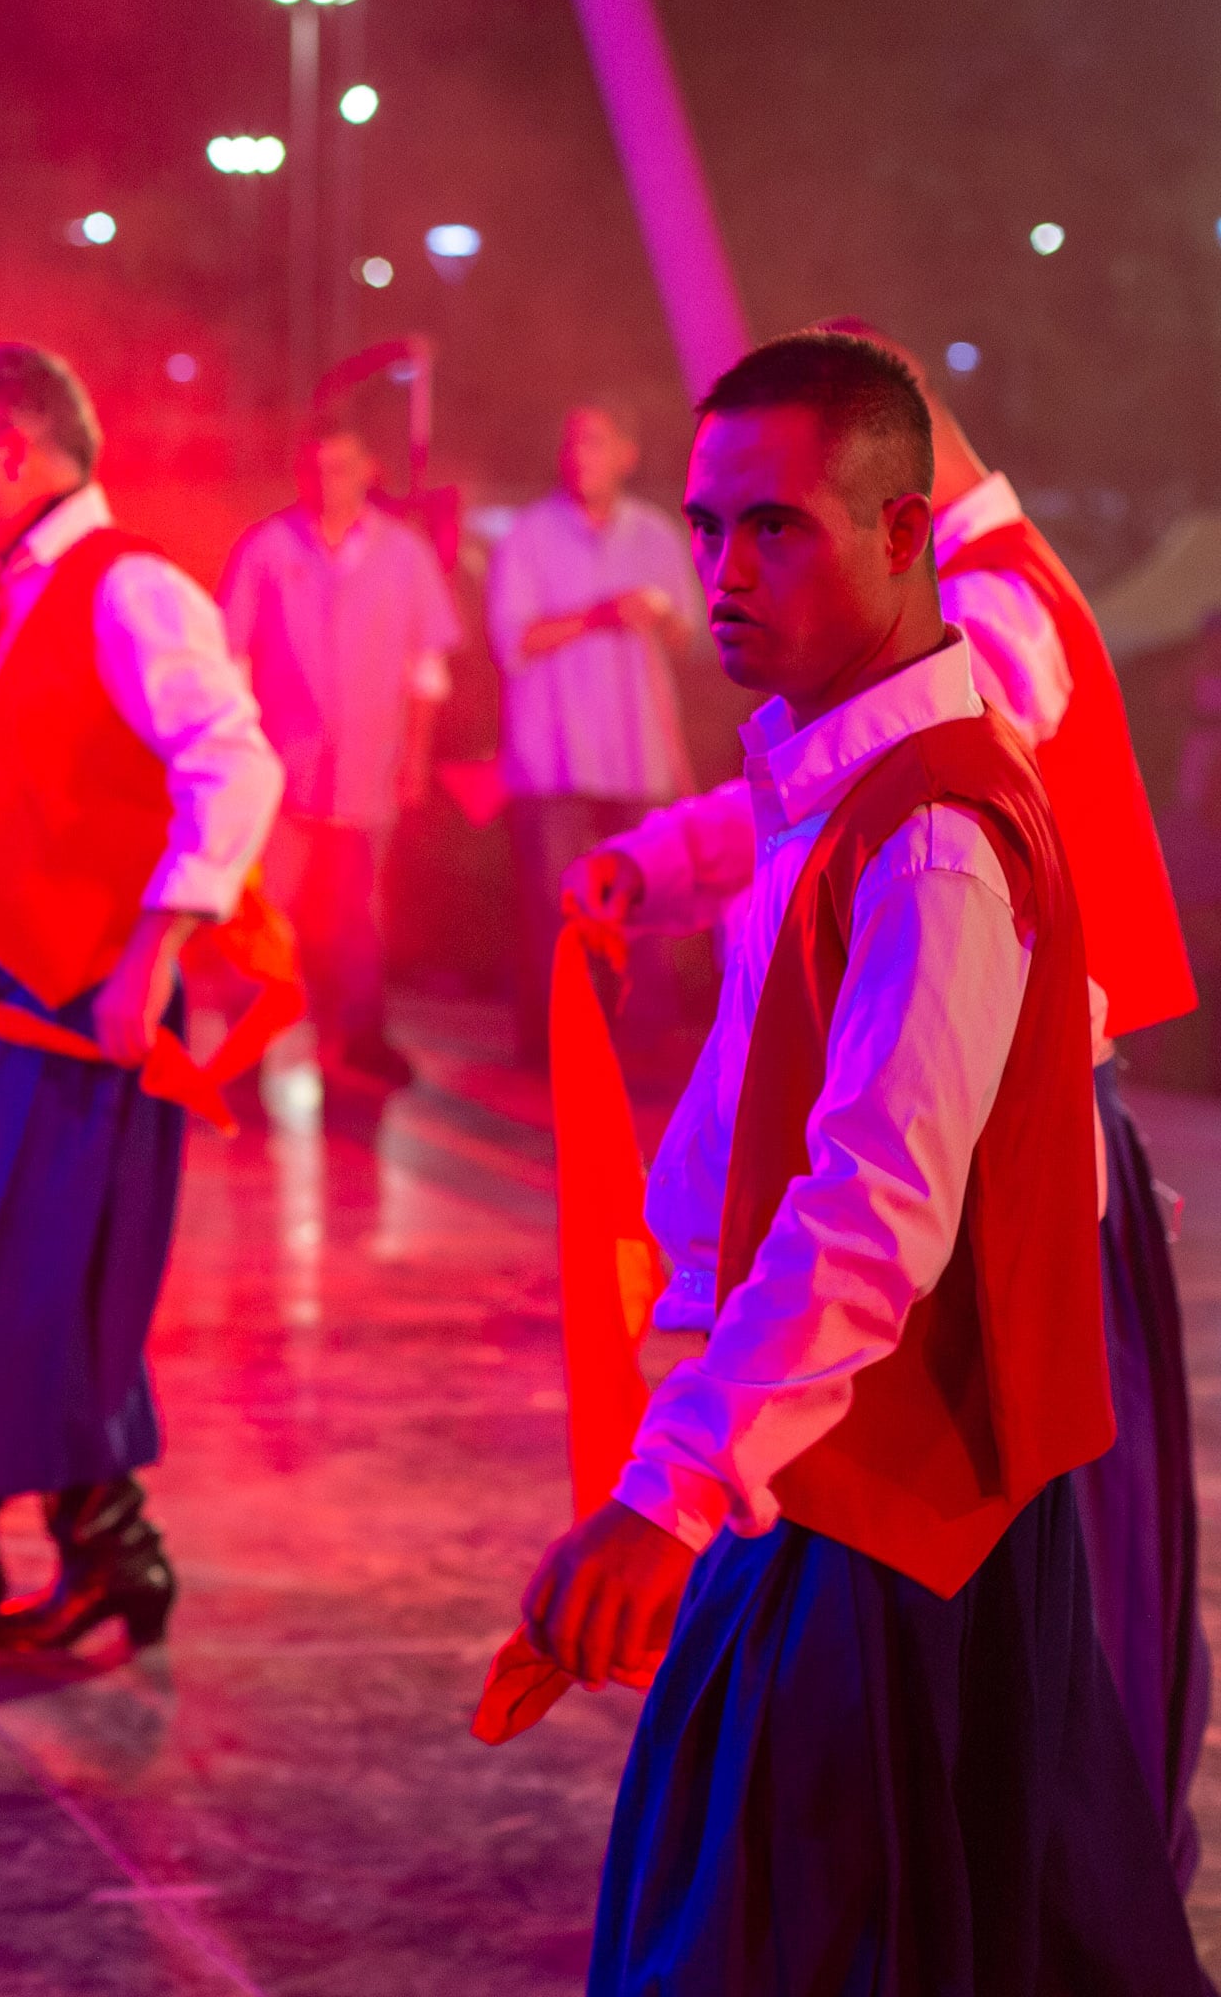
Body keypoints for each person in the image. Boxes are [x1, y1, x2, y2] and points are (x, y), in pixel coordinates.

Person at [522, 333, 1203, 1989]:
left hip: (890, 1488)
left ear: (908, 533)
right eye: (706, 529)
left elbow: (875, 1214)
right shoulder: (848, 766)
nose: (722, 575)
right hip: (832, 1456)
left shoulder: (940, 822)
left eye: (777, 529)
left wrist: (669, 1490)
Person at [0, 343, 283, 1673]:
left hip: (69, 1010)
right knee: (25, 1298)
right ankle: (107, 1550)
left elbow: (234, 761)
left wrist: (155, 948)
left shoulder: (127, 586)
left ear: (9, 449)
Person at [219, 422, 457, 1090]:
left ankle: (358, 1039)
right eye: (316, 470)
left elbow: (426, 670)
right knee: (267, 913)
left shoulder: (403, 555)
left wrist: (415, 758)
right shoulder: (267, 548)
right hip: (281, 771)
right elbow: (231, 657)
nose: (329, 484)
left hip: (367, 768)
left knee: (362, 911)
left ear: (367, 470)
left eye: (342, 469)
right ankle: (247, 1049)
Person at [485, 400, 705, 1067]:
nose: (581, 457)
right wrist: (602, 614)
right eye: (574, 443)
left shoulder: (655, 536)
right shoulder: (527, 536)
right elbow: (511, 641)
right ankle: (558, 1047)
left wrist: (660, 616)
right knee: (560, 913)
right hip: (555, 760)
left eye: (596, 443)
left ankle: (644, 1044)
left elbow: (689, 635)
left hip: (636, 756)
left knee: (646, 903)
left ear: (626, 456)